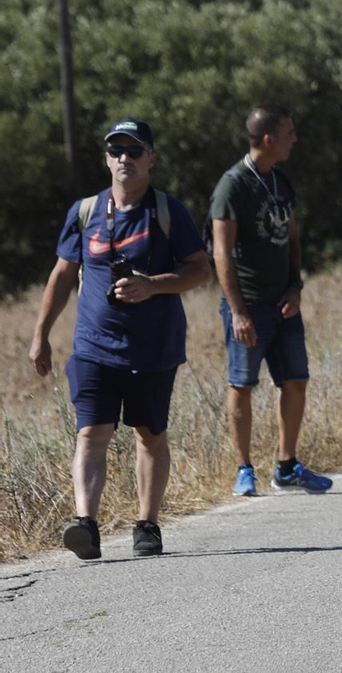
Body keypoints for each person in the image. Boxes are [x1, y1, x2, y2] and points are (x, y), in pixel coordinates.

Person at [31, 119, 211, 559]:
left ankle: (147, 525)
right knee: (92, 431)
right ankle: (86, 525)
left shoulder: (168, 212)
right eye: (116, 151)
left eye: (134, 151)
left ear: (151, 158)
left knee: (149, 434)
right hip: (94, 346)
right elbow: (61, 276)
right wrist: (41, 334)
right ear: (106, 158)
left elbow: (199, 269)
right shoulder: (86, 212)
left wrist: (152, 285)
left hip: (154, 347)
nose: (124, 159)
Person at [210, 106, 332, 497]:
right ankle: (244, 469)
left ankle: (287, 465)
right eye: (289, 133)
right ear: (268, 139)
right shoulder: (233, 186)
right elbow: (222, 254)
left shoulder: (280, 180)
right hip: (249, 304)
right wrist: (239, 312)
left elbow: (293, 239)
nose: (294, 139)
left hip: (284, 303)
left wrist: (296, 286)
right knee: (242, 384)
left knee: (295, 382)